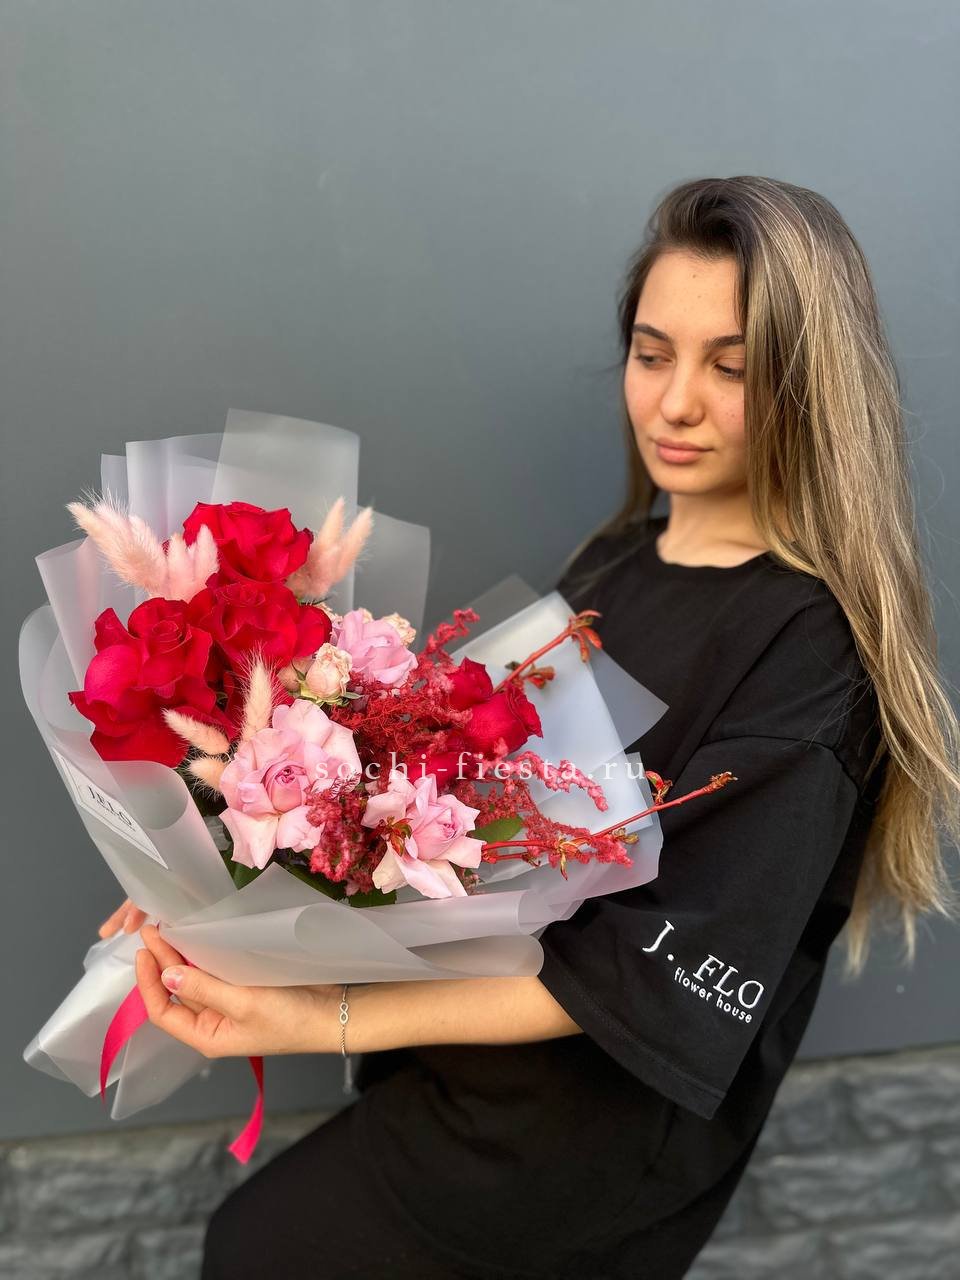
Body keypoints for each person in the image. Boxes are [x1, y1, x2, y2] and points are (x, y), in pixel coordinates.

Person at [105, 175, 960, 1278]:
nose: (676, 403)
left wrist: (327, 1016)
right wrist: (218, 888)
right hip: (466, 1081)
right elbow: (454, 827)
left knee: (252, 1248)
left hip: (570, 1146)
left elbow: (650, 977)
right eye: (652, 354)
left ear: (812, 386)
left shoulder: (809, 652)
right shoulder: (614, 564)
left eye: (732, 367)